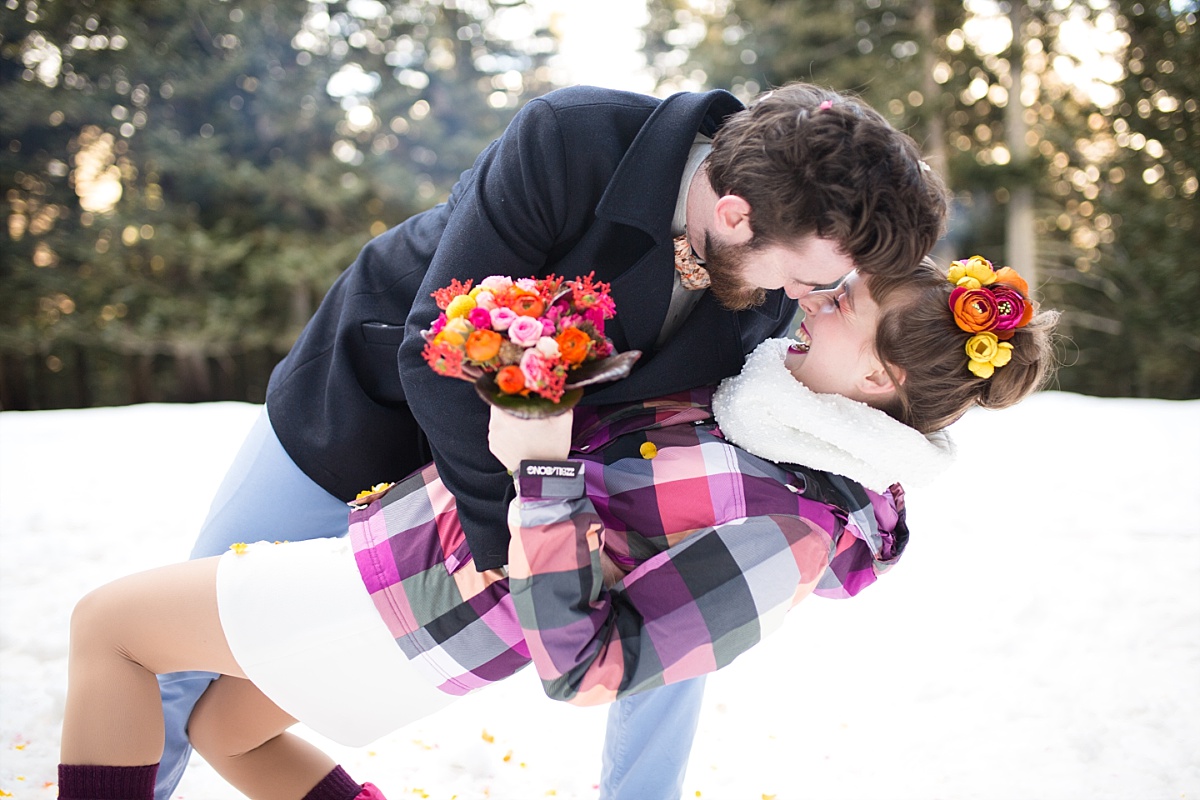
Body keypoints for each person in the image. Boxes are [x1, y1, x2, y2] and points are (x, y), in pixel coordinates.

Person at [155, 82, 951, 800]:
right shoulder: (572, 139)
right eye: (814, 279)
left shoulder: (772, 295)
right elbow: (436, 343)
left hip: (520, 484)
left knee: (237, 720)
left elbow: (680, 571)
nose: (810, 303)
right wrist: (504, 549)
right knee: (176, 662)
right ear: (737, 214)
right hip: (361, 413)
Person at [59, 257, 1059, 800]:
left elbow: (589, 669)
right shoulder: (763, 405)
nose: (821, 297)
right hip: (428, 598)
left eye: (848, 304)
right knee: (221, 728)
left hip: (416, 592)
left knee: (109, 626)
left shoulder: (792, 528)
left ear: (880, 381)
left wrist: (538, 465)